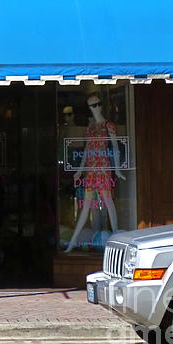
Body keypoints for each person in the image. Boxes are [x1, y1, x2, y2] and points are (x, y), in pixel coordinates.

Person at [63, 94, 125, 253]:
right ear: (89, 108)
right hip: (91, 169)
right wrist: (79, 170)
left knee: (108, 202)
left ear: (101, 105)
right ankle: (73, 242)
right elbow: (86, 151)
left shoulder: (108, 126)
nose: (96, 108)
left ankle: (117, 240)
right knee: (87, 207)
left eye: (98, 104)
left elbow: (115, 147)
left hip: (103, 168)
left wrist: (117, 169)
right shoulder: (90, 128)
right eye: (92, 105)